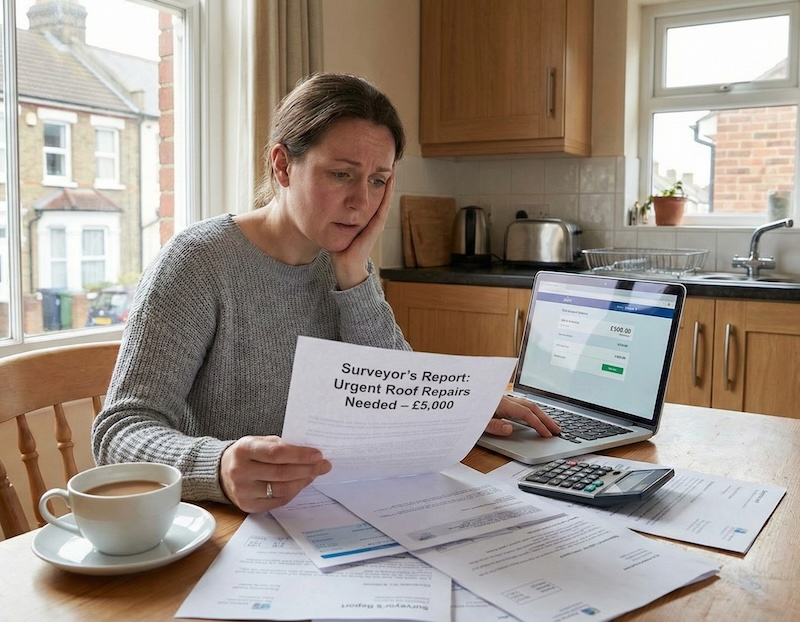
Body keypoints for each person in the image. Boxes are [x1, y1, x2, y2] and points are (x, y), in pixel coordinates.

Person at [92, 72, 559, 514]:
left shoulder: (348, 263)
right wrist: (216, 465)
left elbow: (394, 389)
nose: (361, 201)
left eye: (378, 180)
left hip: (341, 507)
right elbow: (119, 433)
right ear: (282, 166)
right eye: (341, 174)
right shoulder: (197, 263)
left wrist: (455, 404)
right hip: (232, 527)